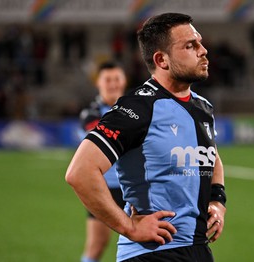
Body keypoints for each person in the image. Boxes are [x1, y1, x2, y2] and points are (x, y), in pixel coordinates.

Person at [65, 13, 226, 262]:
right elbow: (80, 172)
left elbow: (213, 158)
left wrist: (217, 201)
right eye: (190, 45)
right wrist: (130, 227)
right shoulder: (138, 107)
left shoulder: (203, 107)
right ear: (161, 60)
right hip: (152, 253)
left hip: (198, 249)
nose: (203, 51)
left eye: (200, 43)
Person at [79, 61, 127, 262]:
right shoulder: (91, 113)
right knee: (96, 246)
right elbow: (104, 134)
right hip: (103, 188)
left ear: (123, 81)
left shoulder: (134, 108)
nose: (113, 84)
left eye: (116, 79)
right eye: (108, 79)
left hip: (133, 187)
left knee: (145, 245)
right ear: (98, 83)